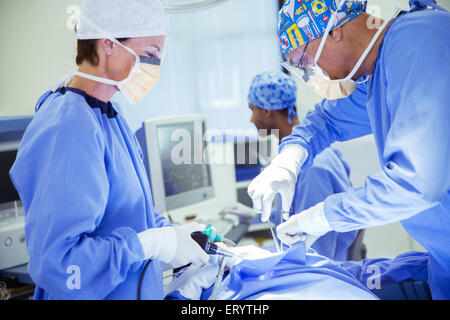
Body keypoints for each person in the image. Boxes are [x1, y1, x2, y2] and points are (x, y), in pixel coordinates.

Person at [9, 0, 216, 300]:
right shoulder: (67, 127)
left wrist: (182, 237)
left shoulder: (110, 116)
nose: (154, 67)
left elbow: (136, 217)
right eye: (150, 54)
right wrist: (151, 245)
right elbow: (59, 264)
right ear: (108, 43)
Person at [247, 0, 450, 299]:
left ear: (333, 31)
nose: (310, 75)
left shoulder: (419, 41)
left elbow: (416, 183)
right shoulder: (382, 69)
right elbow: (327, 121)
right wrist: (289, 159)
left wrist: (323, 216)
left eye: (304, 61)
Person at [247, 71, 358, 261]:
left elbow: (316, 255)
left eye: (252, 110)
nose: (251, 120)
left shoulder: (311, 170)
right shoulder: (293, 160)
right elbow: (289, 217)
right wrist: (250, 217)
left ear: (267, 110)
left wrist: (249, 258)